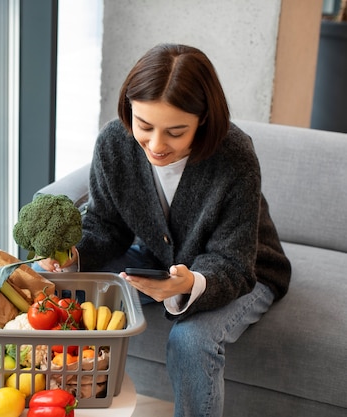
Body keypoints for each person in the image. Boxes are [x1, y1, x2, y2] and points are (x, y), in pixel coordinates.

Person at [37, 43, 291, 417]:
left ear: (203, 120)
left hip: (244, 269)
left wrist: (188, 284)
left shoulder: (234, 156)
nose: (156, 145)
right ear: (129, 110)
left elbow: (234, 263)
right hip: (157, 257)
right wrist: (73, 255)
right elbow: (105, 225)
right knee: (70, 290)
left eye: (176, 131)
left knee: (189, 341)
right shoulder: (114, 142)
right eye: (144, 126)